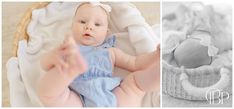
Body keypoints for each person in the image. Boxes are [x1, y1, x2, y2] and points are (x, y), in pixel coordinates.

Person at [37, 2, 160, 107]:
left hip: (111, 95)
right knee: (48, 93)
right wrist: (53, 57)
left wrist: (156, 55)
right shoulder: (68, 49)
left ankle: (160, 71)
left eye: (97, 24)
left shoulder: (110, 52)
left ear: (106, 33)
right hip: (78, 98)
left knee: (135, 83)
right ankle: (70, 71)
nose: (89, 27)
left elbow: (135, 63)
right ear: (72, 26)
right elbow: (44, 65)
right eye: (82, 21)